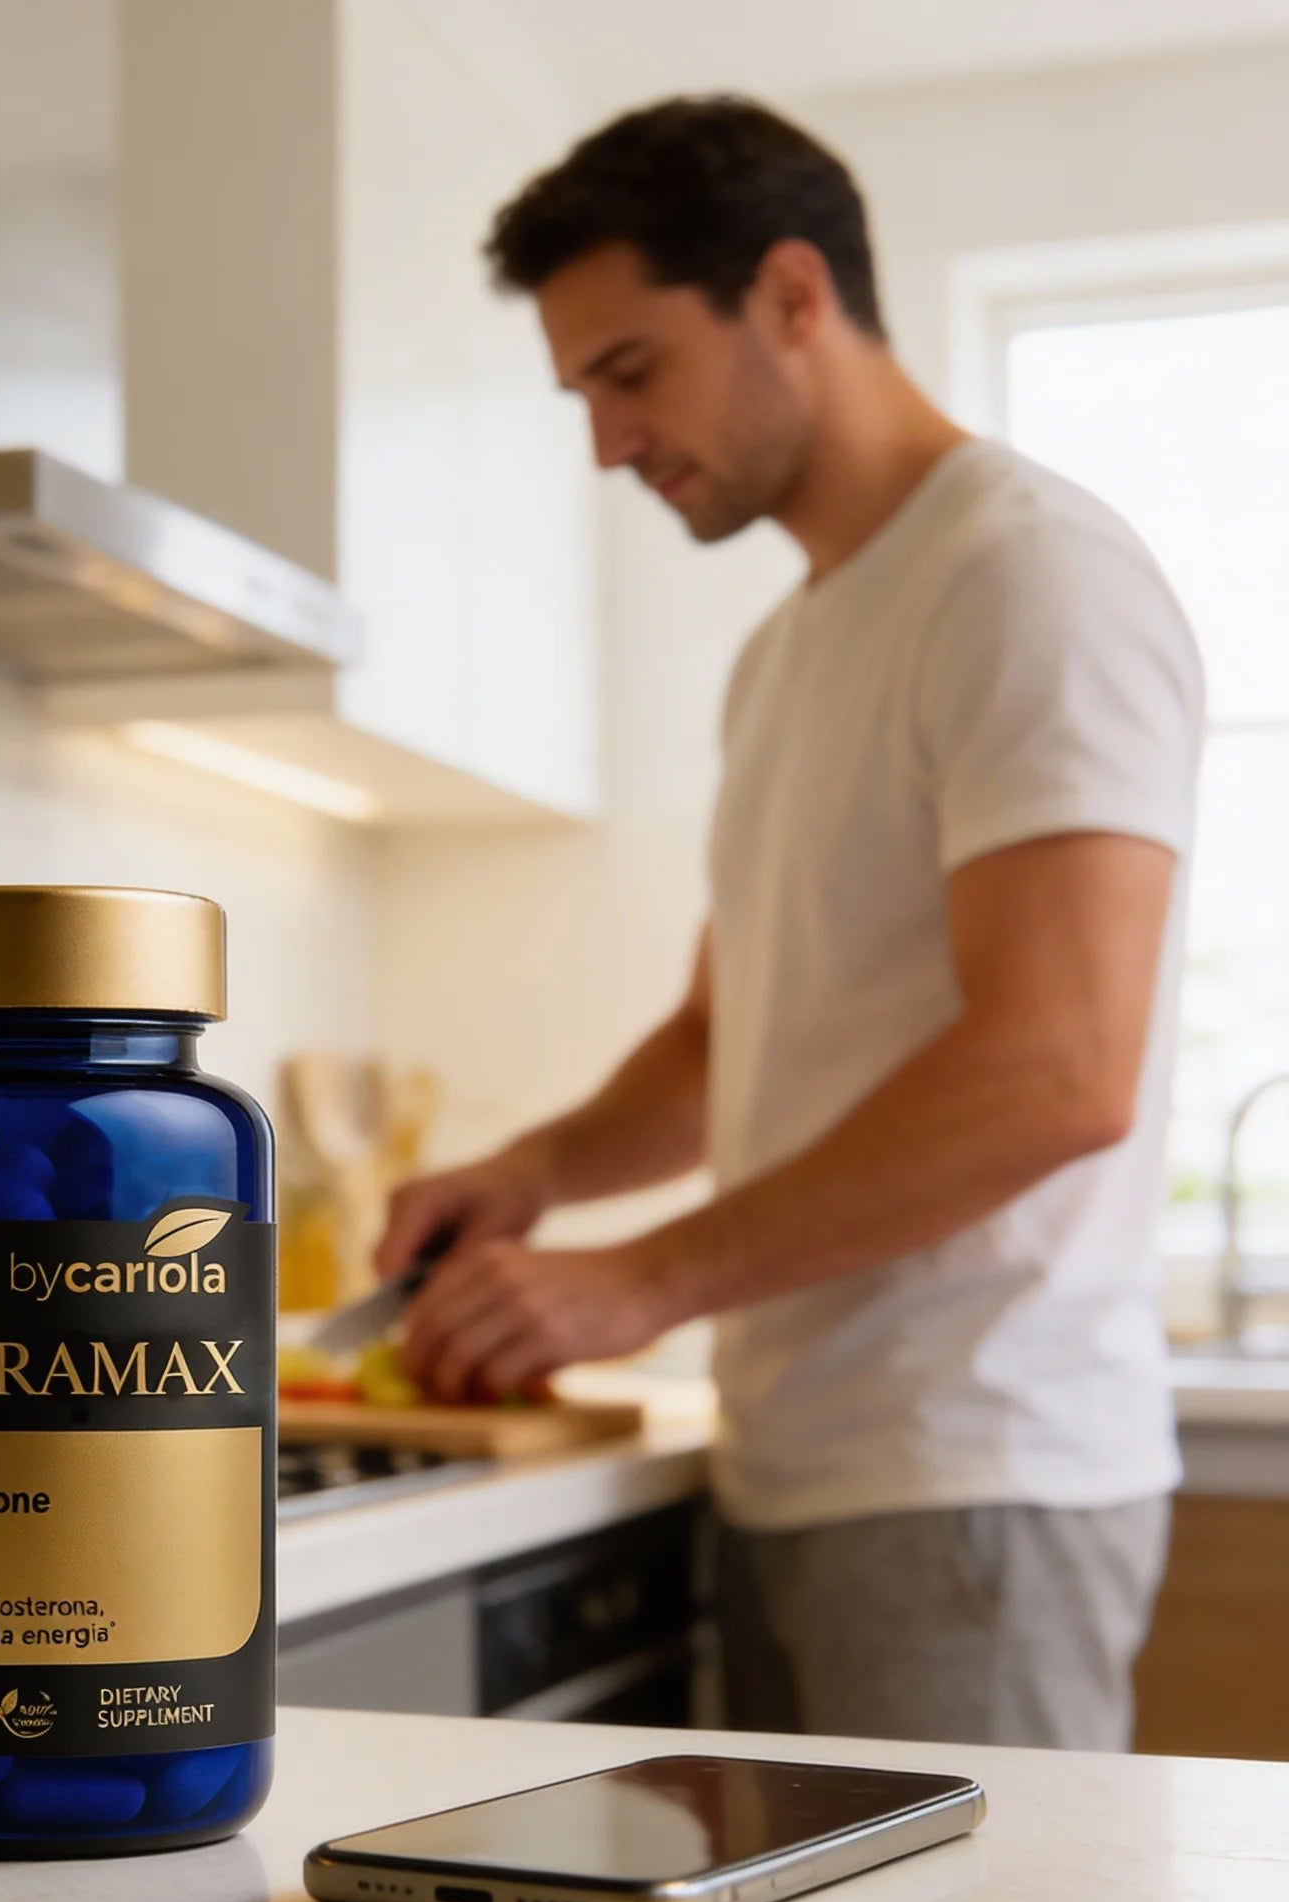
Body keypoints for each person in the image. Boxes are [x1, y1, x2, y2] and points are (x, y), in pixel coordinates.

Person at [378, 97, 1202, 1751]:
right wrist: (534, 1178)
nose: (608, 446)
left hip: (974, 1474)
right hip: (805, 1463)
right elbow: (718, 1037)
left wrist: (642, 1282)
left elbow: (1060, 1068)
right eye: (584, 395)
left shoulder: (1028, 581)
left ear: (793, 298)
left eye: (631, 373)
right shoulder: (794, 648)